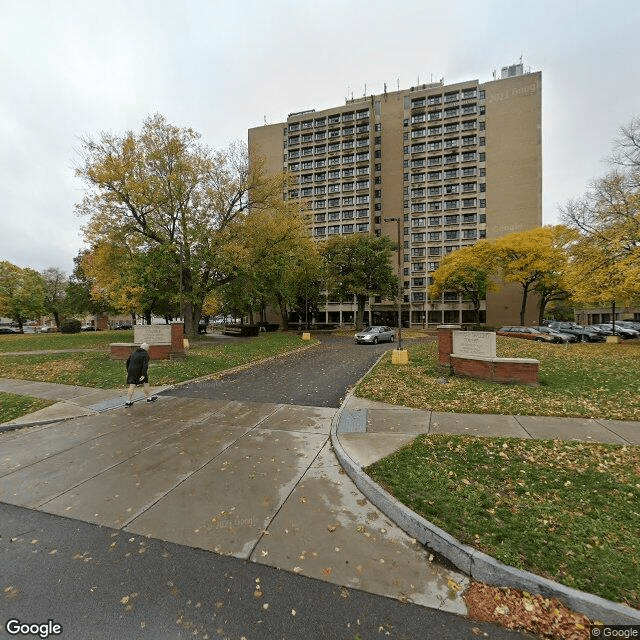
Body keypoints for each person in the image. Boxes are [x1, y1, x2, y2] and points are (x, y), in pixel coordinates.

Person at [124, 343, 157, 407]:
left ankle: (128, 401)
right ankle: (149, 398)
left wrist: (128, 371)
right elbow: (145, 366)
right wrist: (143, 374)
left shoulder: (134, 352)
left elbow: (128, 362)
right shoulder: (145, 354)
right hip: (140, 372)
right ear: (146, 348)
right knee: (146, 383)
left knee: (132, 386)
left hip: (132, 371)